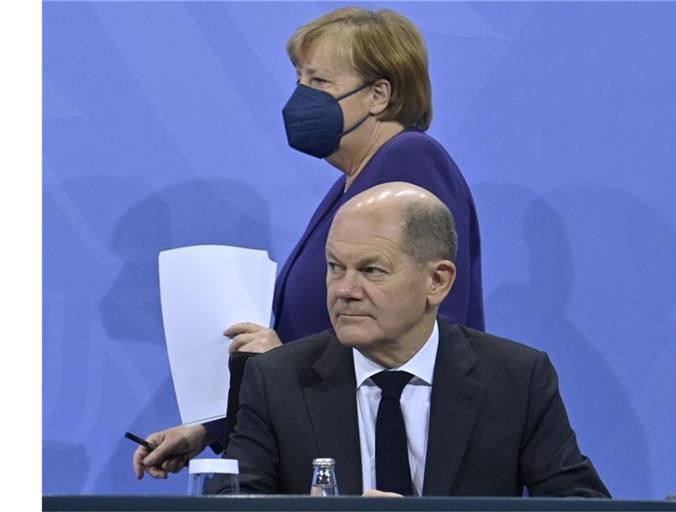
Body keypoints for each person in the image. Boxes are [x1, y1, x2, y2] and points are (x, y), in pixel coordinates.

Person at [133, 6, 485, 479]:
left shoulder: (410, 163)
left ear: (379, 95)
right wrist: (209, 430)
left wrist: (282, 365)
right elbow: (310, 339)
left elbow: (424, 330)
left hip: (399, 457)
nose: (301, 98)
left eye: (319, 83)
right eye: (299, 80)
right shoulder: (351, 184)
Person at [139, 182, 610, 497]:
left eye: (371, 271)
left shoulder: (516, 379)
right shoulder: (277, 378)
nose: (344, 290)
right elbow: (234, 502)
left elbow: (581, 506)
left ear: (438, 282)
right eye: (335, 268)